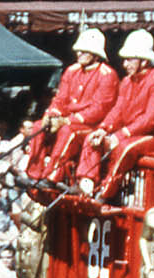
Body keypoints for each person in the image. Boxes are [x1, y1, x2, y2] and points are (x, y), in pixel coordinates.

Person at [73, 29, 154, 200]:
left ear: (144, 61)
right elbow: (117, 110)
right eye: (125, 59)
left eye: (130, 59)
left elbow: (150, 120)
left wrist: (121, 134)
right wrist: (103, 129)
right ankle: (86, 183)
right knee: (92, 138)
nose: (125, 64)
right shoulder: (127, 81)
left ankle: (105, 192)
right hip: (131, 133)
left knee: (124, 148)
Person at [24, 28, 120, 183]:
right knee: (37, 127)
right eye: (78, 50)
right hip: (66, 120)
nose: (79, 53)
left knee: (68, 131)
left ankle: (52, 176)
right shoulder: (71, 71)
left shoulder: (107, 75)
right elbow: (60, 99)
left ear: (95, 54)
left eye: (84, 51)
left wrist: (67, 121)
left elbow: (99, 110)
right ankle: (32, 172)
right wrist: (51, 114)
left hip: (90, 125)